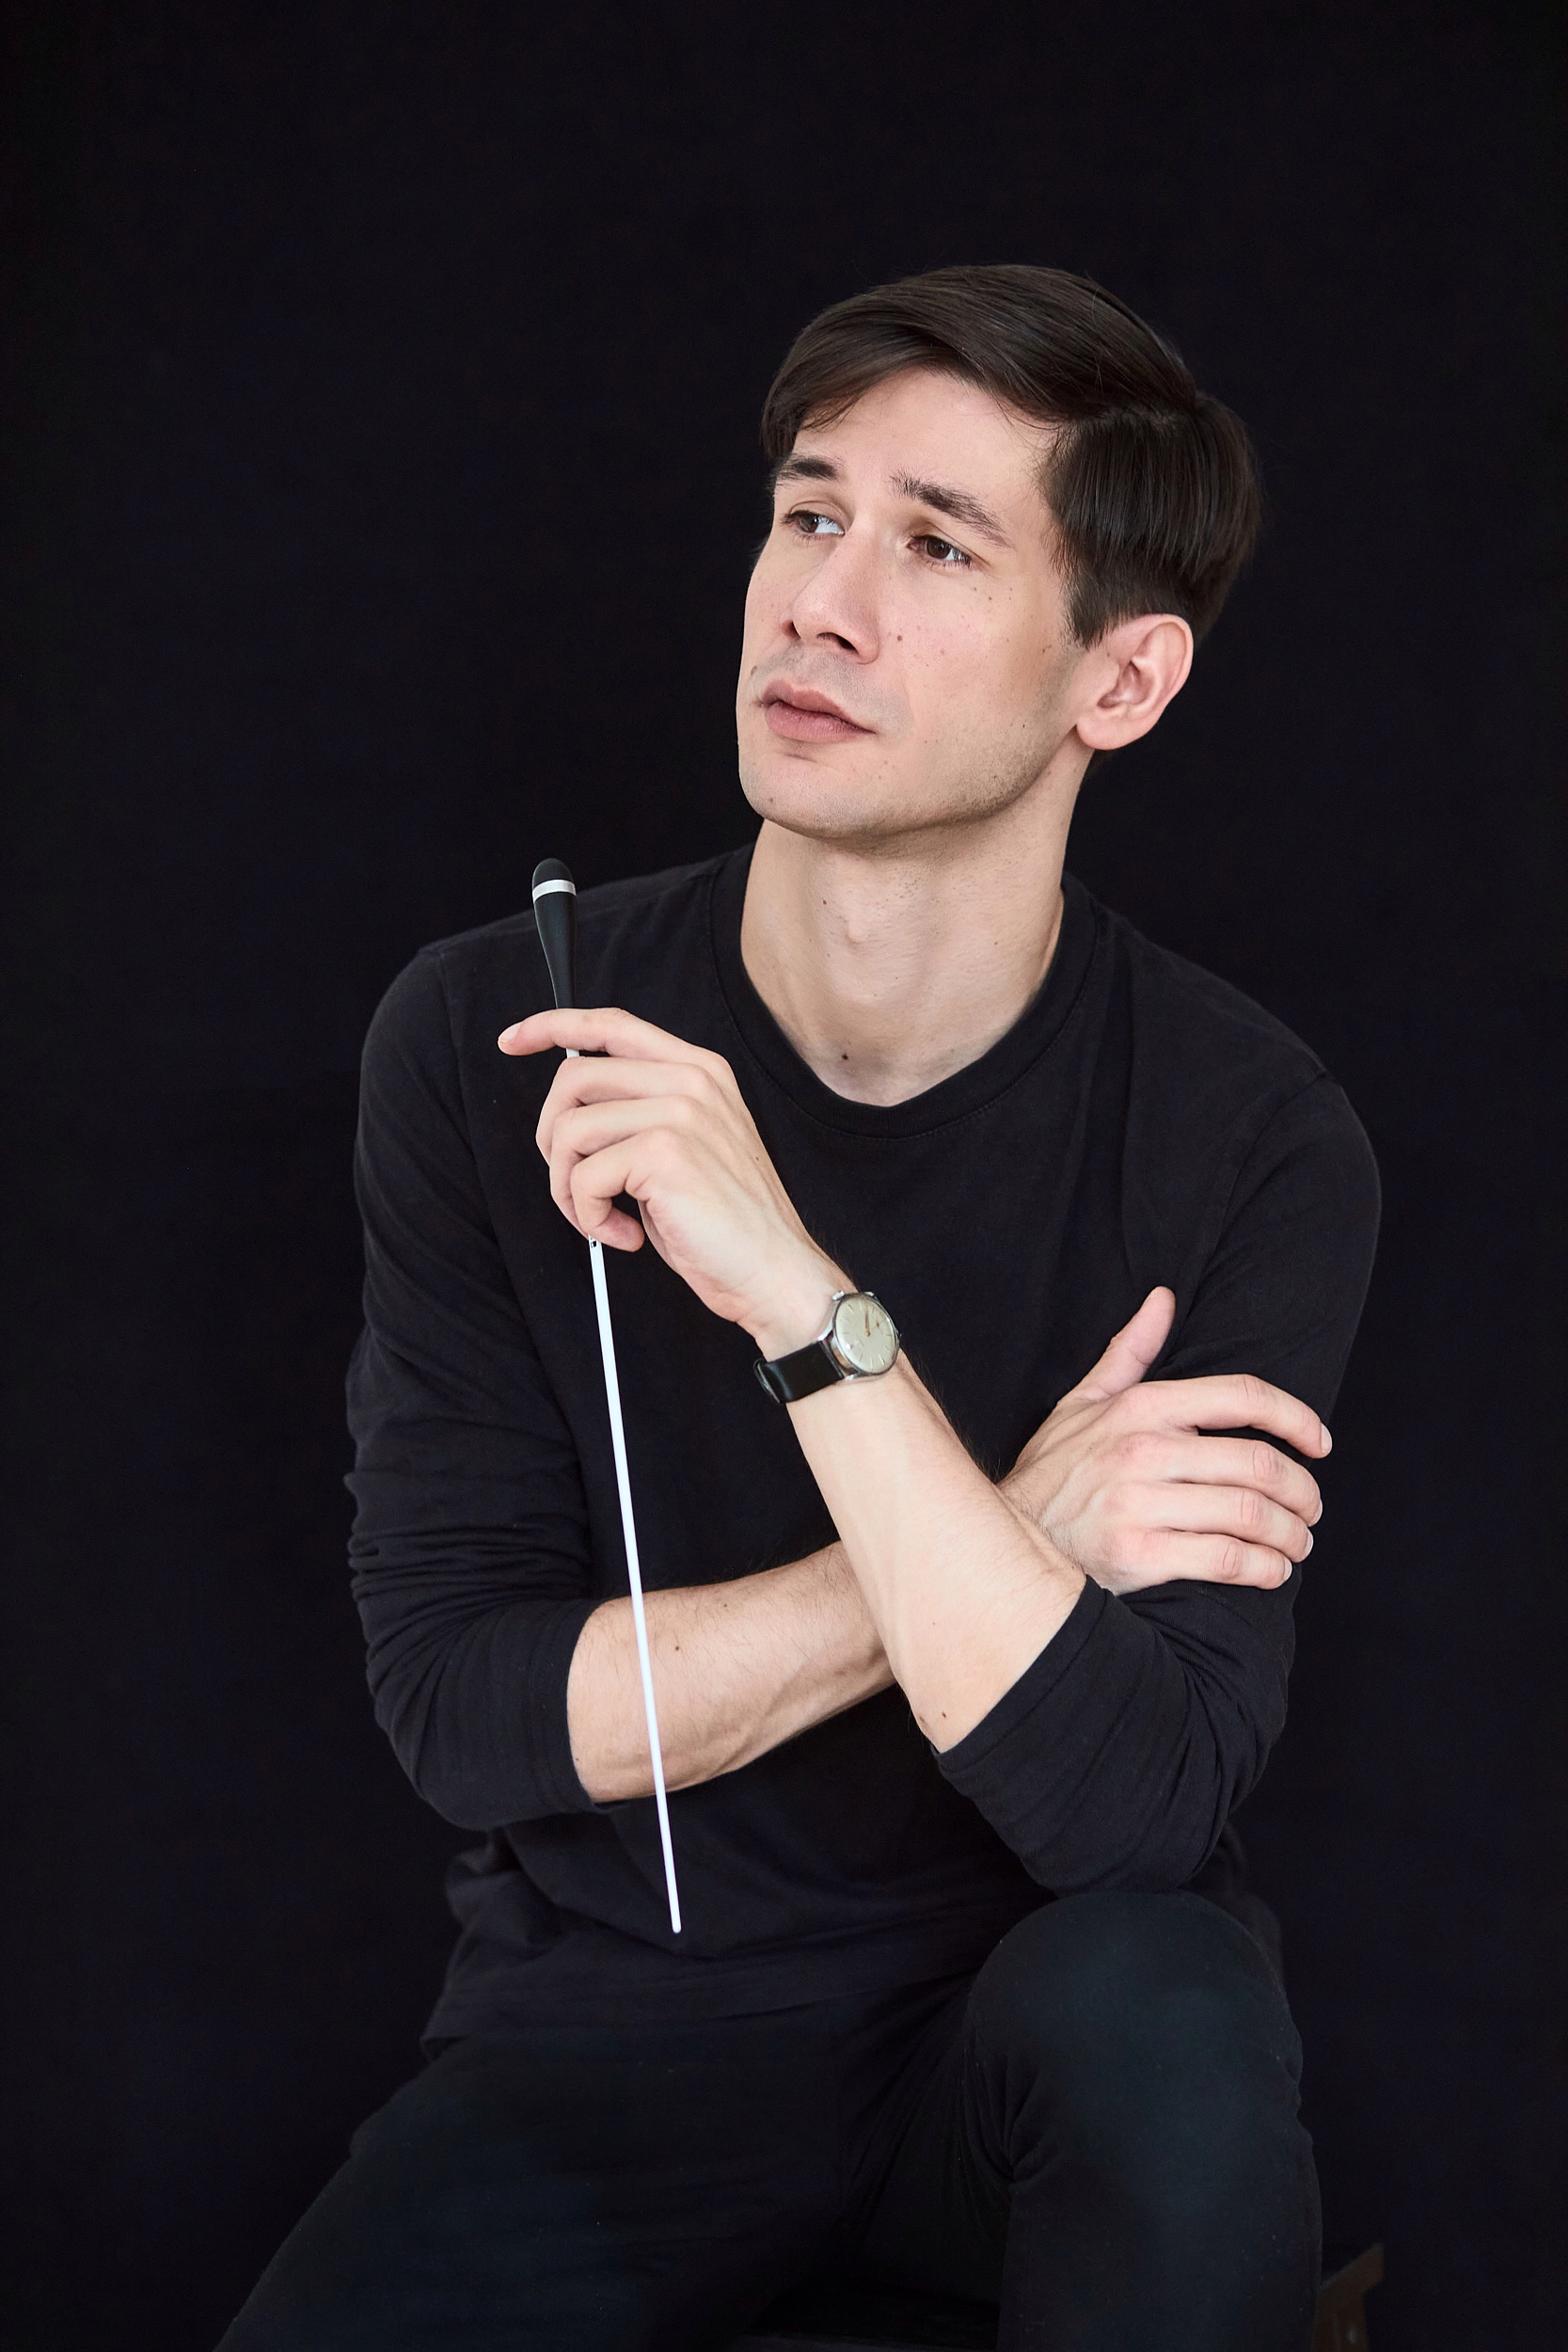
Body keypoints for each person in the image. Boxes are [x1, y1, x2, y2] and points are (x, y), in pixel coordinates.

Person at [221, 266, 1379, 2350]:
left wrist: (805, 1295)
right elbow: (473, 1711)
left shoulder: (1251, 1130)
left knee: (1172, 1998)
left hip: (1026, 2044)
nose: (819, 602)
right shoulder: (496, 1031)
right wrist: (1018, 1526)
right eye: (808, 509)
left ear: (1118, 684)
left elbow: (1130, 1805)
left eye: (937, 545)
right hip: (607, 2042)